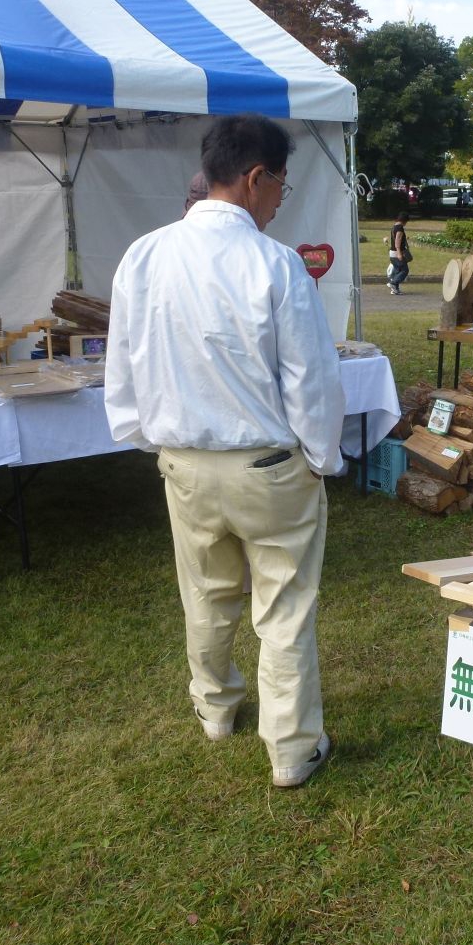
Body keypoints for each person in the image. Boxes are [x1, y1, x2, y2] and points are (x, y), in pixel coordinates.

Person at [105, 114, 344, 789]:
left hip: (182, 461)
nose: (278, 202)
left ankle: (214, 709)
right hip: (266, 466)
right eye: (280, 189)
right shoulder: (274, 263)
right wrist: (321, 457)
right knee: (284, 608)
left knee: (205, 594)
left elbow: (123, 363)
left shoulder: (143, 255)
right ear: (255, 179)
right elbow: (312, 379)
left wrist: (144, 434)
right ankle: (292, 749)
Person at [388, 211, 410, 295]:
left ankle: (395, 289)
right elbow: (398, 241)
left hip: (392, 252)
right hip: (397, 252)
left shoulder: (394, 227)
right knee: (404, 270)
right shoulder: (400, 228)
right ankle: (393, 283)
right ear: (404, 220)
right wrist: (399, 253)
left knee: (398, 270)